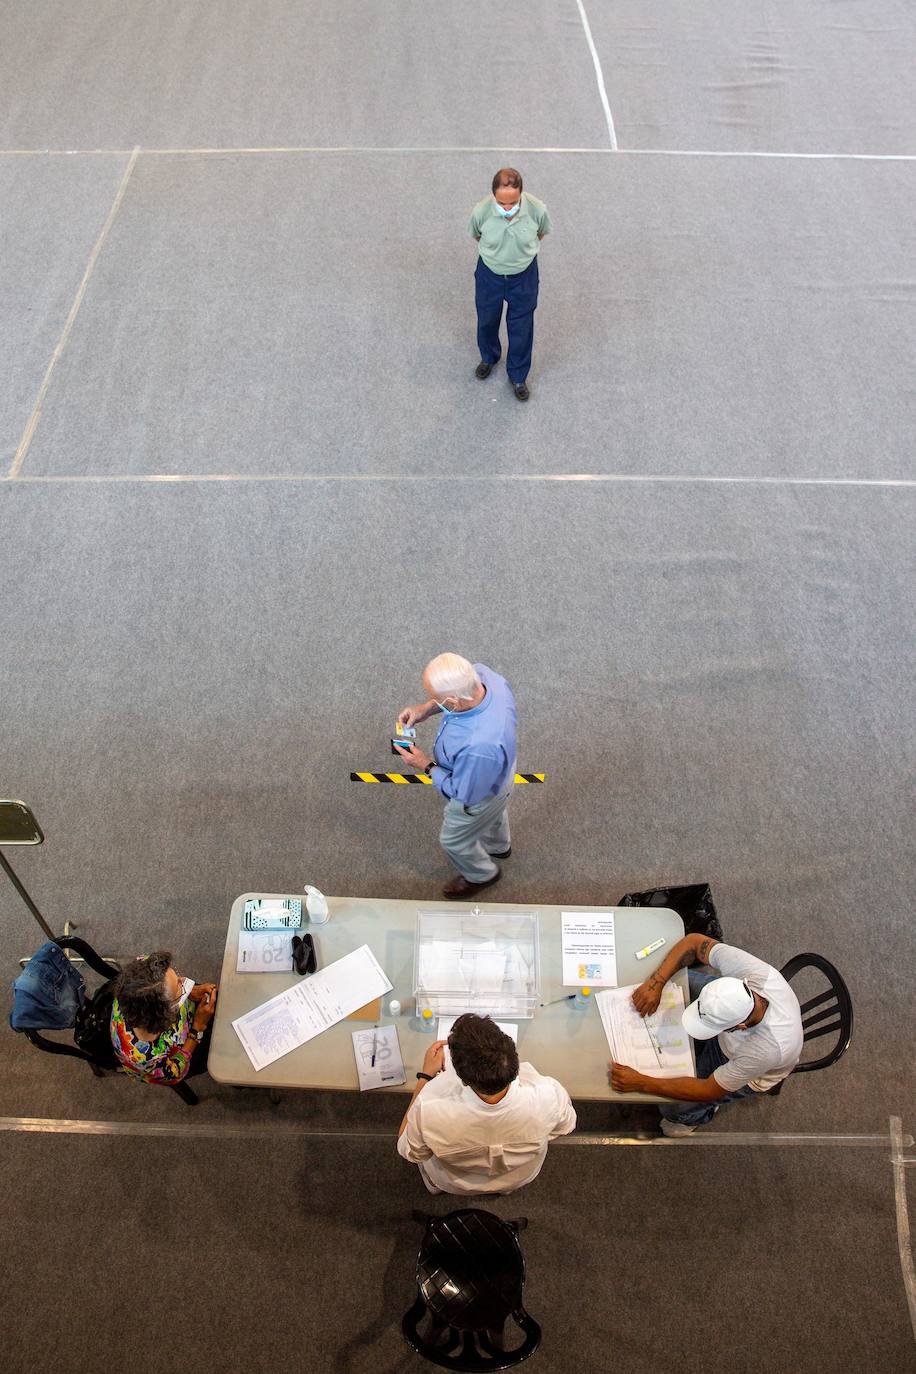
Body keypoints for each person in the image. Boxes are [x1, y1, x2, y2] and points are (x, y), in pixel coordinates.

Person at [609, 933, 804, 1135]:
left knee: (672, 1108)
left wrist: (641, 1082)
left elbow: (708, 1089)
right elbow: (693, 941)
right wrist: (656, 983)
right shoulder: (753, 972)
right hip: (730, 1023)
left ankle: (693, 1117)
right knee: (676, 980)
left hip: (736, 1059)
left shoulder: (763, 1051)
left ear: (741, 1026)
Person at [397, 1014, 576, 1194]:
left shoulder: (429, 1109)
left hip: (457, 1182)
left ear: (464, 1080)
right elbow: (565, 1126)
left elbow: (410, 1151)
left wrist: (425, 1077)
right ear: (514, 1062)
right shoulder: (548, 1094)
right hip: (517, 1176)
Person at [396, 653, 517, 898]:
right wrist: (425, 710)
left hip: (476, 791)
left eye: (436, 698)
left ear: (452, 700)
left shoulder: (479, 747)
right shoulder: (484, 676)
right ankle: (499, 846)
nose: (432, 701)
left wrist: (424, 764)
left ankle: (482, 874)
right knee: (495, 813)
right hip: (498, 776)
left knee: (453, 840)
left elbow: (462, 792)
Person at [469, 168, 552, 402]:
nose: (507, 209)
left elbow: (541, 232)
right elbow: (476, 234)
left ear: (521, 195)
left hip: (523, 277)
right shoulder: (481, 211)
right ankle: (489, 357)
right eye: (501, 203)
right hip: (489, 276)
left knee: (522, 327)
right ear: (493, 195)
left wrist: (519, 255)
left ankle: (518, 375)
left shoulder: (537, 209)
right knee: (486, 319)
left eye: (512, 203)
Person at [110, 951, 218, 1084]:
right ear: (165, 1015)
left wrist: (191, 991)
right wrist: (198, 1027)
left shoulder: (141, 972)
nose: (183, 982)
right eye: (180, 988)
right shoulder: (147, 1059)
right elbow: (176, 1071)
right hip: (185, 1049)